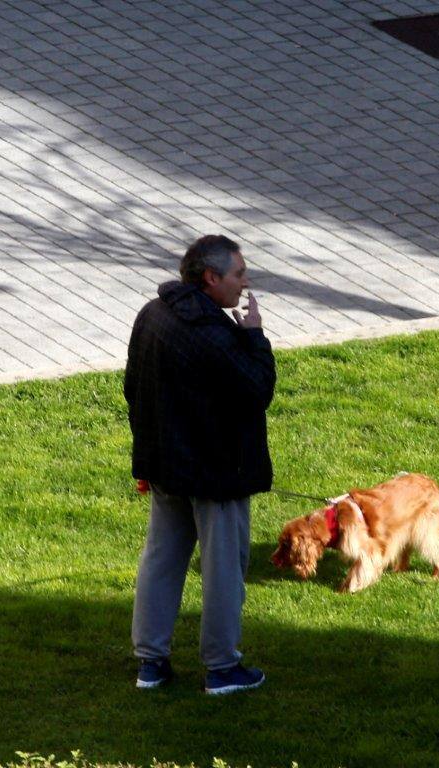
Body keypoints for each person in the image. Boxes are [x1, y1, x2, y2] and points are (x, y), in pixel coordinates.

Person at [123, 234, 276, 695]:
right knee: (224, 568)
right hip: (217, 473)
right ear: (211, 278)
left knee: (162, 559)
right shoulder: (215, 335)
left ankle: (150, 663)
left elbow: (135, 388)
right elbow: (258, 390)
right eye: (238, 274)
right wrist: (254, 335)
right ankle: (222, 668)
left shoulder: (152, 315)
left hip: (167, 466)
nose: (245, 282)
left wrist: (146, 459)